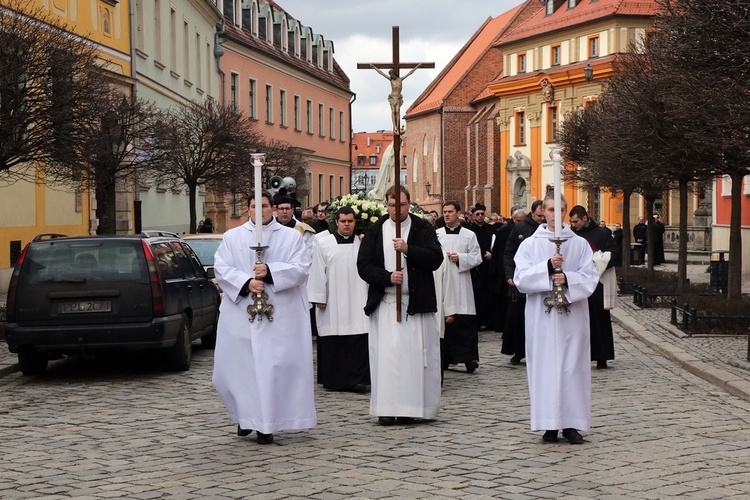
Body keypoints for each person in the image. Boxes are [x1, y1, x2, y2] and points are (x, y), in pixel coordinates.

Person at [212, 191, 316, 445]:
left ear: (272, 208)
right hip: (241, 315)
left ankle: (267, 423)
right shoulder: (232, 237)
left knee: (272, 368)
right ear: (247, 209)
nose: (260, 211)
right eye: (254, 206)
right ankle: (246, 418)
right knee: (240, 369)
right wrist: (246, 282)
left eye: (265, 206)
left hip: (279, 317)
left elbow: (301, 268)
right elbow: (222, 268)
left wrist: (270, 272)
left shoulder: (291, 237)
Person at [513, 191, 599, 444]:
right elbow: (521, 279)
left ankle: (572, 424)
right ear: (542, 211)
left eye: (560, 209)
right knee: (545, 368)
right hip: (542, 317)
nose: (554, 215)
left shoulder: (579, 244)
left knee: (573, 367)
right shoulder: (530, 244)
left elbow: (591, 277)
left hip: (572, 317)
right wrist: (547, 269)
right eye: (550, 210)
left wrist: (568, 278)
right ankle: (549, 424)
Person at [357, 185, 444, 425]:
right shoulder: (376, 230)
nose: (397, 209)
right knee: (388, 358)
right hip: (386, 304)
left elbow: (436, 258)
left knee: (414, 358)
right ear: (387, 205)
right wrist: (387, 277)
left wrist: (408, 249)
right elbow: (363, 265)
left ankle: (413, 407)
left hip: (415, 304)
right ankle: (387, 406)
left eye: (402, 204)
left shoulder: (422, 228)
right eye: (393, 205)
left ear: (409, 204)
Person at [308, 206, 370, 391]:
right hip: (332, 301)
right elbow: (317, 270)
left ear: (355, 222)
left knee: (358, 337)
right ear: (336, 222)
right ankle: (335, 380)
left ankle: (359, 379)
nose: (346, 225)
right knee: (334, 338)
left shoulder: (363, 243)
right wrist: (319, 295)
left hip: (358, 298)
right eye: (343, 221)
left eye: (350, 221)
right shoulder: (324, 243)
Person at [568, 206, 622, 369]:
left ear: (585, 218)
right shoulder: (571, 235)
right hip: (577, 281)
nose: (573, 225)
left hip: (597, 283)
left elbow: (615, 254)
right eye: (571, 222)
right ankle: (577, 356)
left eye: (575, 221)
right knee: (576, 321)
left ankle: (601, 356)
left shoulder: (602, 233)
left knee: (599, 320)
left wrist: (598, 260)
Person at [434, 201, 483, 380]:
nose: (447, 215)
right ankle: (446, 357)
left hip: (462, 280)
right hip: (443, 281)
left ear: (458, 213)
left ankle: (468, 358)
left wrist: (459, 257)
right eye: (445, 212)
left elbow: (477, 257)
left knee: (464, 320)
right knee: (446, 320)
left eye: (450, 212)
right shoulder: (436, 234)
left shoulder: (469, 235)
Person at [502, 200, 545, 365]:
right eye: (539, 215)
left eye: (544, 215)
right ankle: (518, 351)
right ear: (532, 213)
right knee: (519, 319)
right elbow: (509, 253)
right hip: (521, 282)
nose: (542, 218)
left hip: (541, 281)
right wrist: (510, 275)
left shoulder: (549, 229)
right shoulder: (520, 228)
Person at [467, 203, 494, 330]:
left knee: (488, 293)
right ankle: (477, 321)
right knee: (477, 294)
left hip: (488, 265)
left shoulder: (491, 229)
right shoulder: (469, 230)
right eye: (477, 214)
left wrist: (492, 254)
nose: (480, 216)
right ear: (473, 216)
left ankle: (489, 320)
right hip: (475, 266)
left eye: (482, 214)